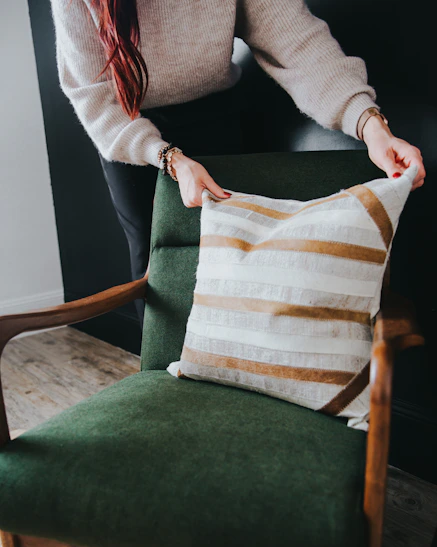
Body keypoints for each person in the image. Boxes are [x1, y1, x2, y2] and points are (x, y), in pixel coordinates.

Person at [50, 0, 426, 321]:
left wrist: (371, 125)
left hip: (217, 116)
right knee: (158, 272)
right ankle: (168, 385)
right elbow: (93, 94)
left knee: (235, 266)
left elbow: (298, 43)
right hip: (131, 133)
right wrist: (169, 158)